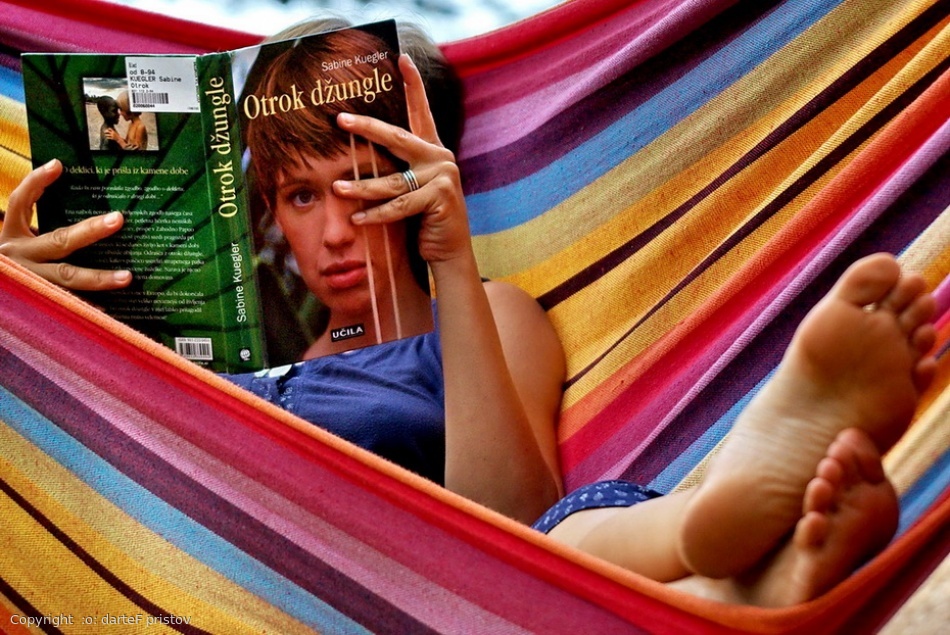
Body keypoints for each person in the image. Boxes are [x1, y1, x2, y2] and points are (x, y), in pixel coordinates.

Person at [0, 17, 938, 608]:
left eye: (363, 185)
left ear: (421, 179)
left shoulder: (488, 315)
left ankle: (718, 537)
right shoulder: (172, 356)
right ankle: (745, 587)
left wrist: (452, 263)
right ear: (268, 212)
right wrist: (17, 318)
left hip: (444, 601)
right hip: (197, 587)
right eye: (300, 196)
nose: (335, 231)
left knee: (568, 527)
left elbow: (507, 531)